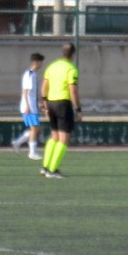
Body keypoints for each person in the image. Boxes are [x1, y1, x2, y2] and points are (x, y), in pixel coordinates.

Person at [41, 42, 80, 179]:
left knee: (54, 136)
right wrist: (79, 109)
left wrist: (44, 103)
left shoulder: (52, 66)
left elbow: (44, 86)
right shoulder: (71, 69)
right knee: (64, 139)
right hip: (63, 104)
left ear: (63, 52)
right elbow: (73, 91)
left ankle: (45, 166)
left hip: (51, 103)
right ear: (73, 54)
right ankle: (52, 170)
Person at [11, 53, 45, 160]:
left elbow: (32, 92)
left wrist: (39, 103)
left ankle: (17, 142)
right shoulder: (29, 74)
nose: (41, 64)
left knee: (37, 129)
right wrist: (26, 105)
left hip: (32, 106)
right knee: (35, 128)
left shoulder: (33, 74)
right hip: (29, 107)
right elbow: (25, 91)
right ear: (36, 62)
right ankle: (32, 152)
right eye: (40, 62)